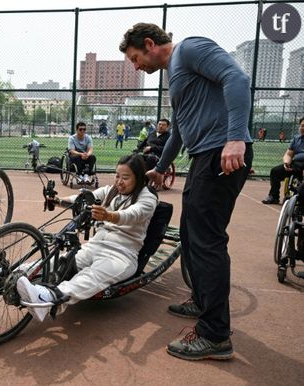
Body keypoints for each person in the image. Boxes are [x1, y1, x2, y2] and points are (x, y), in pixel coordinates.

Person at [120, 23, 253, 361]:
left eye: (135, 59)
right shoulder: (173, 75)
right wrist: (161, 167)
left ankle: (215, 335)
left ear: (150, 44)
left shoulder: (190, 49)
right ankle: (202, 300)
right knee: (192, 235)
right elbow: (179, 129)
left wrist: (235, 136)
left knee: (207, 240)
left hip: (220, 151)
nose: (136, 67)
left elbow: (236, 79)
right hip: (203, 156)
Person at [16, 153, 158, 321]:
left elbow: (133, 214)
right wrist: (58, 200)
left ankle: (48, 298)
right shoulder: (110, 191)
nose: (119, 181)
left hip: (121, 255)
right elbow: (83, 198)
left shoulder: (148, 196)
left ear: (139, 177)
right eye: (117, 176)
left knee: (91, 276)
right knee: (60, 261)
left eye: (125, 178)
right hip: (95, 246)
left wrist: (108, 216)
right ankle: (10, 274)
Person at [262, 118, 304, 204]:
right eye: (302, 126)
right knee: (275, 171)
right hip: (296, 165)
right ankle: (273, 196)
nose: (303, 128)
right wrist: (286, 163)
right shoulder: (297, 139)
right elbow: (289, 154)